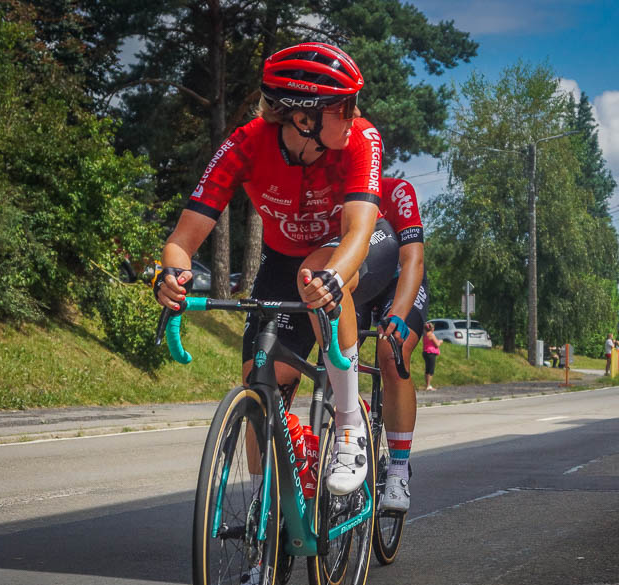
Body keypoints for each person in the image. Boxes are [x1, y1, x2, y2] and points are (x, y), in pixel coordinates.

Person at [153, 42, 391, 500]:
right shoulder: (246, 144)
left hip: (356, 247)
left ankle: (347, 425)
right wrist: (172, 276)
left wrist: (333, 280)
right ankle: (267, 533)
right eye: (344, 105)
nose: (356, 111)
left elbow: (358, 233)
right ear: (305, 118)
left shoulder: (361, 137)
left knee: (313, 273)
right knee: (261, 385)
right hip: (283, 261)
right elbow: (182, 242)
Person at [356, 177, 427, 512]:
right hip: (358, 282)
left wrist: (398, 313)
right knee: (338, 355)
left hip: (399, 283)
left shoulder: (397, 190)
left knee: (390, 351)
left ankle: (398, 469)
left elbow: (413, 258)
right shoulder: (326, 187)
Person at [422, 322, 442, 391]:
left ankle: (427, 384)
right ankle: (428, 385)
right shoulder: (431, 335)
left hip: (425, 352)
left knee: (427, 369)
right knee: (431, 370)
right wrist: (440, 341)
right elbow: (437, 344)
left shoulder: (425, 335)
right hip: (431, 353)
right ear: (431, 328)